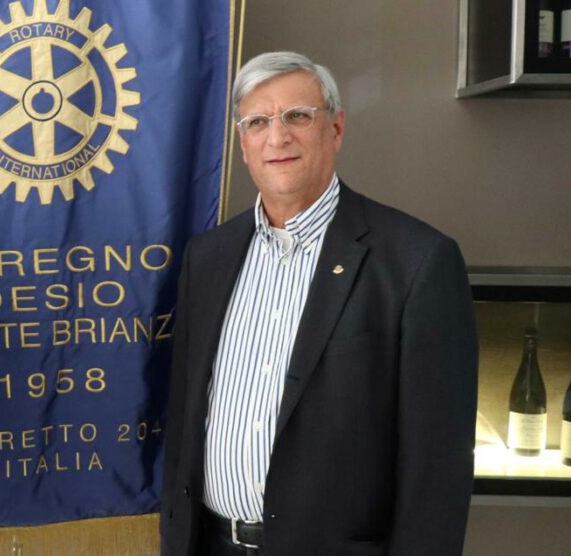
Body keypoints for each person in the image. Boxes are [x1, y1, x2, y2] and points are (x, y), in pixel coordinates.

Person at [161, 52, 478, 555]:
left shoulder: (417, 263)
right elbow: (184, 421)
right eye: (258, 122)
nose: (277, 137)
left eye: (298, 116)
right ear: (243, 144)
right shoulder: (209, 257)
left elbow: (436, 471)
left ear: (336, 128)